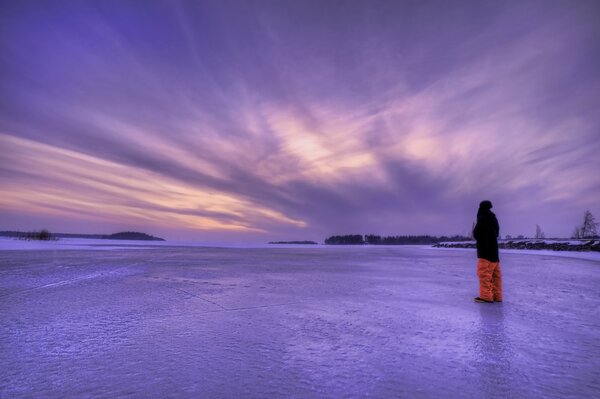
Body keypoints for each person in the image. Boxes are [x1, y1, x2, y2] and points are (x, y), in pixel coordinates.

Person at [472, 200, 502, 303]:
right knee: (495, 276)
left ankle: (486, 296)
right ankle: (497, 296)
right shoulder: (494, 217)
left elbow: (476, 233)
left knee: (484, 274)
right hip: (494, 252)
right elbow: (497, 232)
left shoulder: (482, 216)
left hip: (484, 251)